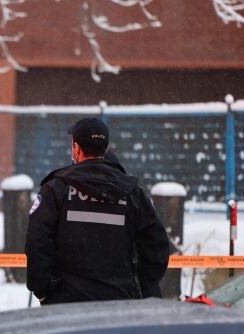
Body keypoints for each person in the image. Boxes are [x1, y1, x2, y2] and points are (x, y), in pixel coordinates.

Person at [25, 117, 169, 304]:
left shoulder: (56, 188)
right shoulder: (132, 192)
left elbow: (37, 242)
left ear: (76, 148)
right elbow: (156, 246)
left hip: (65, 304)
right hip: (119, 302)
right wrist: (140, 287)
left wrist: (43, 291)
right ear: (106, 148)